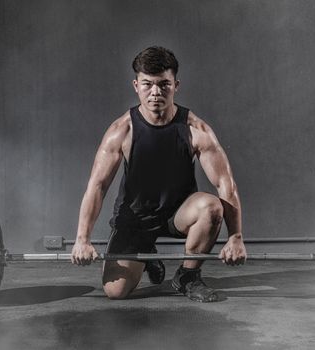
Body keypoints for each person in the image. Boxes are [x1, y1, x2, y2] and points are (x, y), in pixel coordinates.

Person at [70, 46, 247, 302]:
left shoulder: (195, 129)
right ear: (136, 85)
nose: (156, 93)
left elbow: (225, 185)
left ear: (176, 84)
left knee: (211, 207)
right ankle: (147, 254)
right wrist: (82, 239)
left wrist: (236, 237)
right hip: (135, 220)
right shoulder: (121, 131)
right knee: (115, 292)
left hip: (179, 214)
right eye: (148, 84)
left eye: (164, 84)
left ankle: (187, 276)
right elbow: (97, 187)